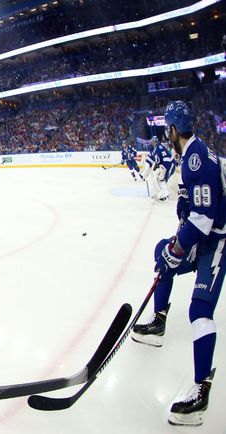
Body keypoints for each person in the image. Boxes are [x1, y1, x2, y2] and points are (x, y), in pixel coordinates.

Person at [130, 101, 224, 426]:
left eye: (166, 129)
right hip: (205, 237)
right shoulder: (189, 156)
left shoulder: (197, 159)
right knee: (162, 251)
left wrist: (179, 248)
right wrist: (173, 247)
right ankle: (158, 321)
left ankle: (200, 393)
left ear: (173, 129)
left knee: (200, 310)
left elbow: (204, 218)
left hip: (217, 241)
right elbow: (191, 209)